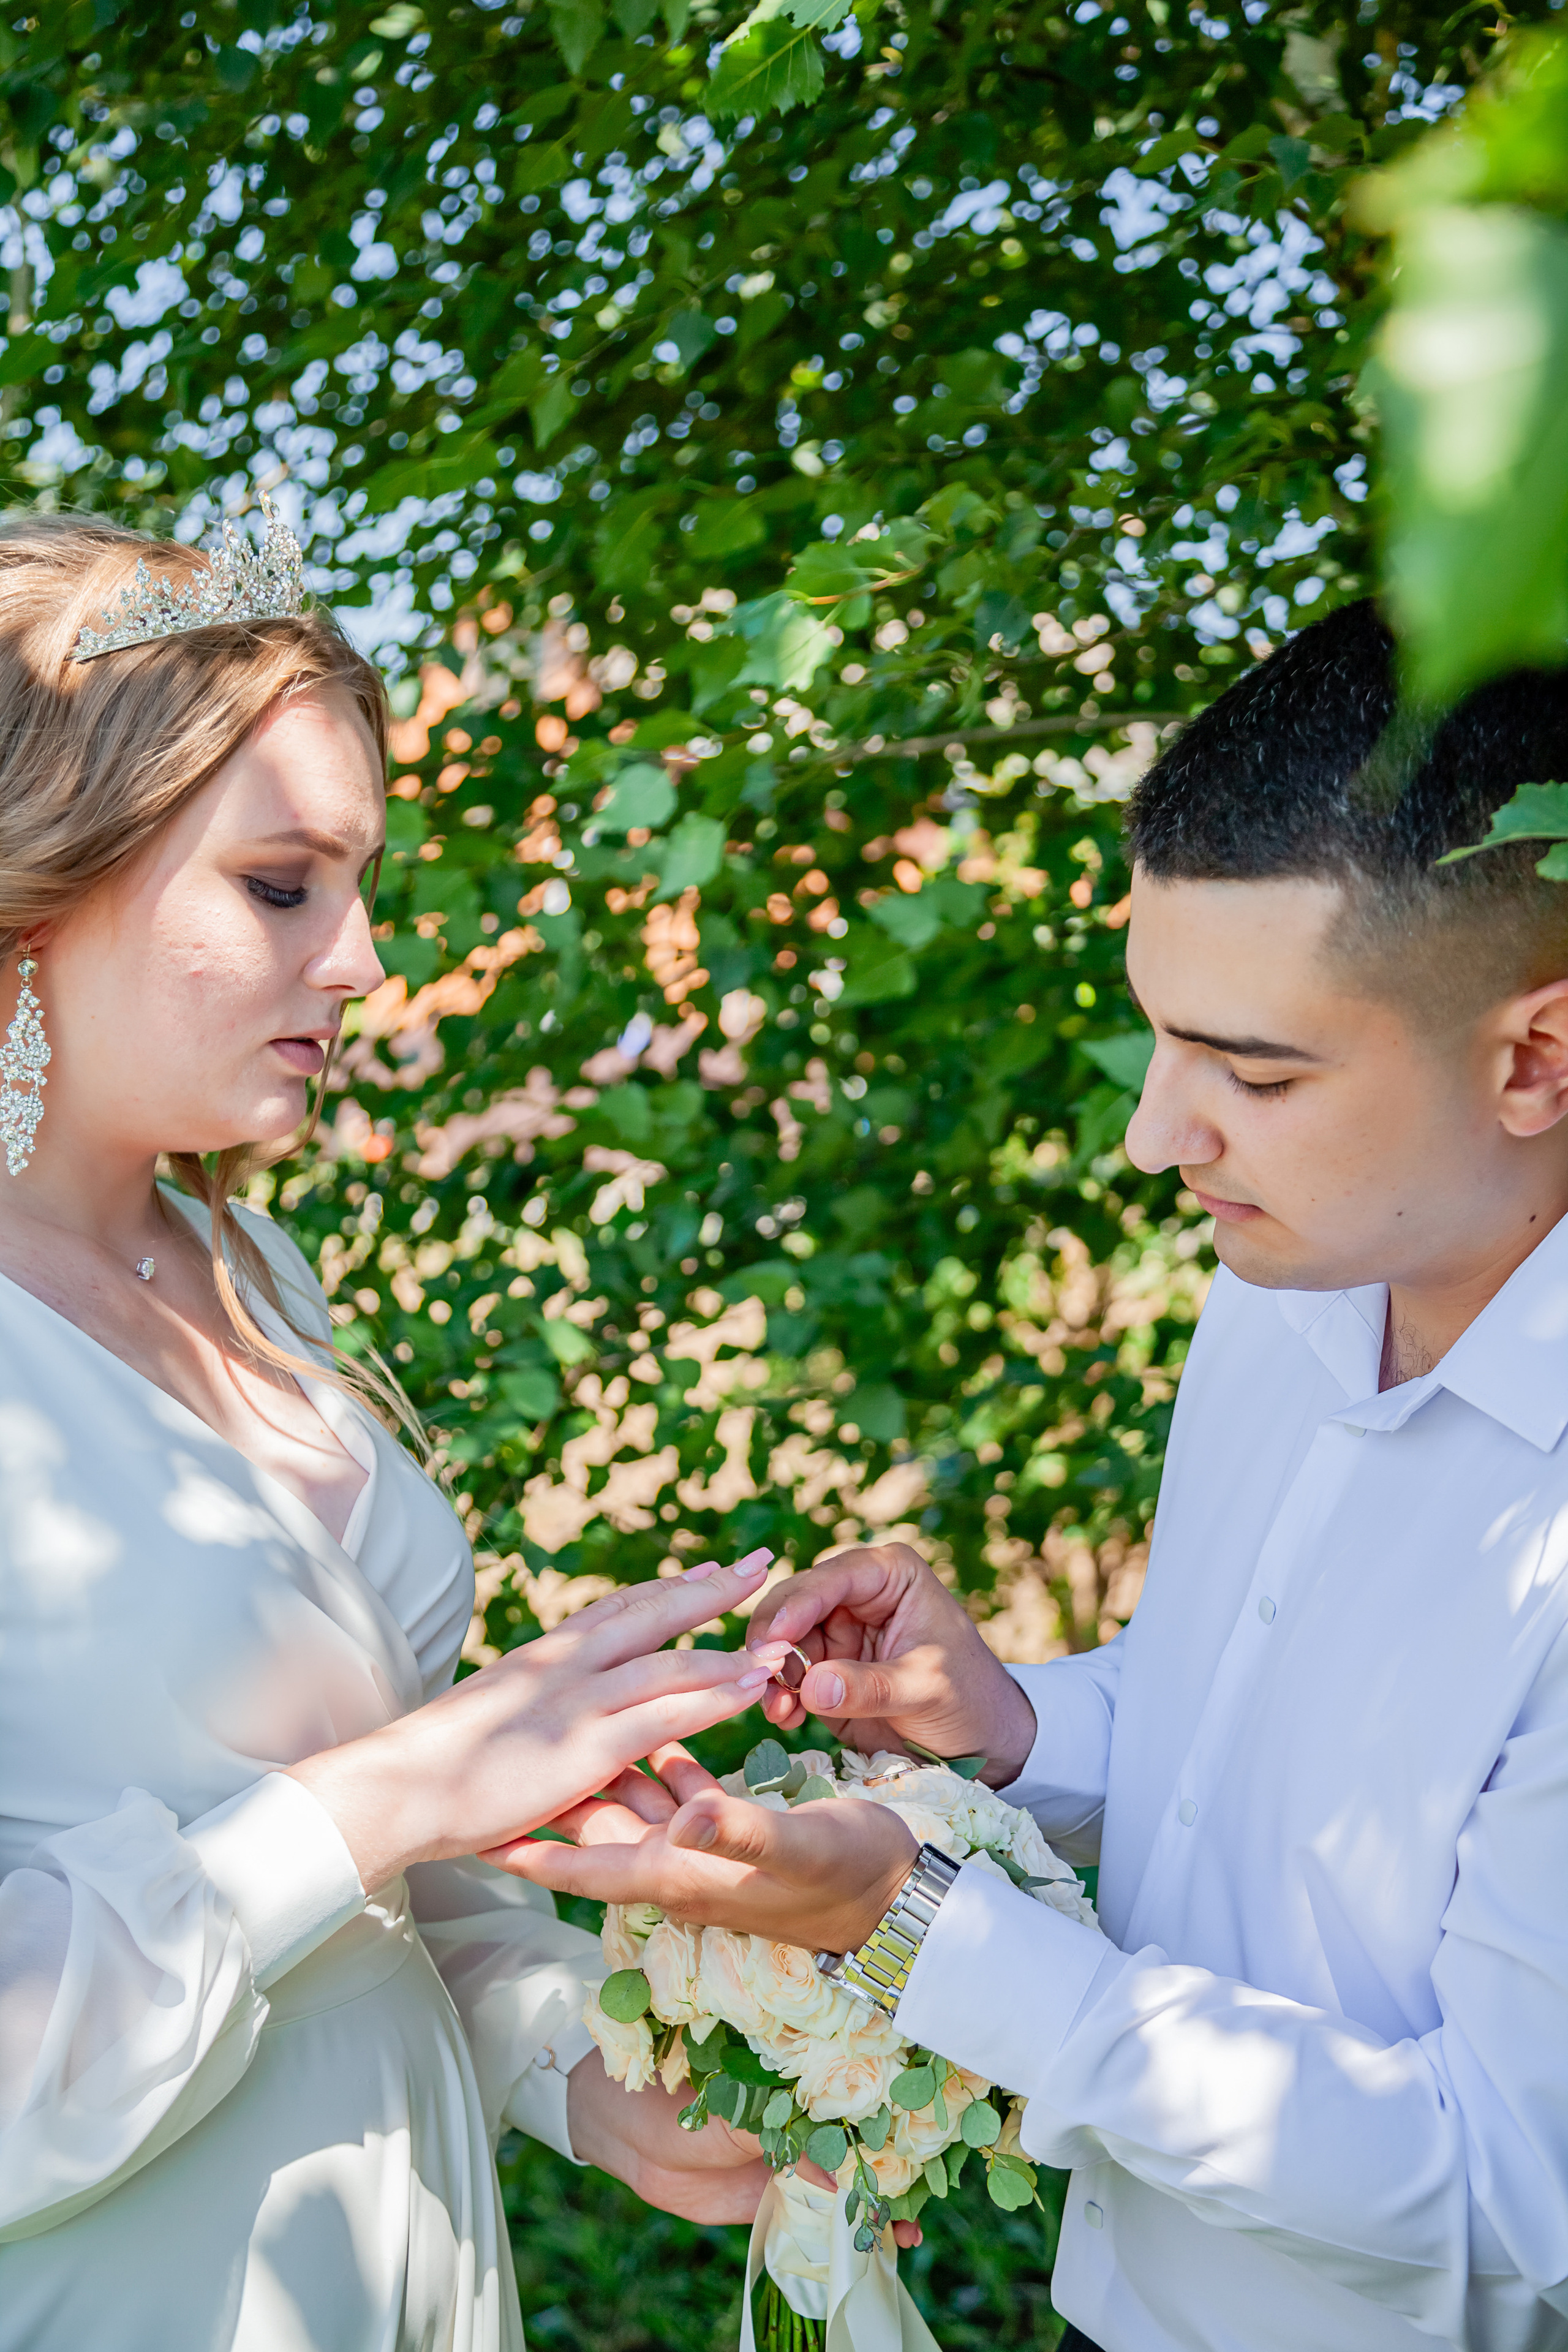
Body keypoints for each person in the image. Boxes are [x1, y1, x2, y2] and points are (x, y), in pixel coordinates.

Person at [506, 599, 1568, 2352]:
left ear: (1535, 1058)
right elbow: (1248, 1754)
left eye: (1255, 1072)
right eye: (1162, 1038)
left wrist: (911, 1928)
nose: (1156, 1136)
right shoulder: (1278, 1299)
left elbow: (1511, 2197)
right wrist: (1012, 1731)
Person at [0, 508, 786, 2349]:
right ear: (36, 892)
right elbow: (354, 1817)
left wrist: (577, 2063)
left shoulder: (250, 1268)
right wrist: (421, 1777)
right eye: (281, 886)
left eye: (360, 886)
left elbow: (380, 1901)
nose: (359, 961)